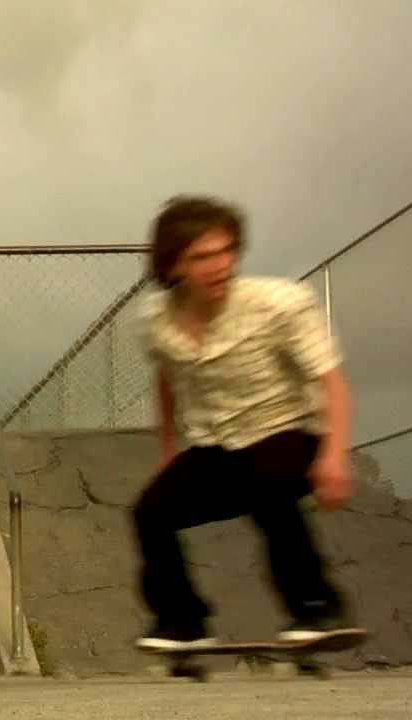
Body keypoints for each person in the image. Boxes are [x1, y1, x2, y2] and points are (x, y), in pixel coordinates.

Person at [132, 195, 358, 651]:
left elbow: (331, 381)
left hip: (292, 432)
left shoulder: (279, 303)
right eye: (202, 257)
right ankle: (183, 622)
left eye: (226, 252)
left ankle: (315, 608)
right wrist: (167, 456)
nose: (219, 266)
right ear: (174, 265)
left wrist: (335, 456)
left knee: (268, 488)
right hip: (218, 444)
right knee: (149, 511)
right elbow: (166, 379)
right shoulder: (156, 320)